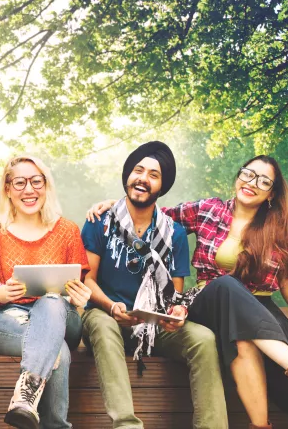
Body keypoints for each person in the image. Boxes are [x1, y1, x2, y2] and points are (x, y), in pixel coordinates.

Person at [89, 155, 288, 428]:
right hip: (206, 302)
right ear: (238, 176)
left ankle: (261, 424)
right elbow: (154, 214)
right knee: (226, 285)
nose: (252, 183)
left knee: (242, 337)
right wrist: (115, 206)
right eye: (248, 174)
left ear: (272, 193)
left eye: (263, 181)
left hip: (259, 312)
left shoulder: (286, 231)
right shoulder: (209, 210)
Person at [80, 141, 227, 429]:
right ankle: (126, 425)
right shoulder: (100, 222)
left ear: (162, 186)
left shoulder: (174, 233)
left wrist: (176, 313)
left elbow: (174, 294)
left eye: (153, 175)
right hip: (109, 316)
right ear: (127, 176)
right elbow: (87, 280)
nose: (143, 179)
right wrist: (111, 306)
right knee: (100, 322)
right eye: (138, 170)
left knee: (204, 339)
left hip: (153, 325)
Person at [0, 155, 92, 429]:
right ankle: (42, 417)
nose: (29, 190)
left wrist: (79, 298)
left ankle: (26, 392)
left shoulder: (67, 230)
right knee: (59, 353)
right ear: (7, 188)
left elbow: (79, 287)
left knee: (52, 300)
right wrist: (3, 293)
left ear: (46, 185)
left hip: (62, 318)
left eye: (36, 181)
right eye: (19, 183)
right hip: (5, 319)